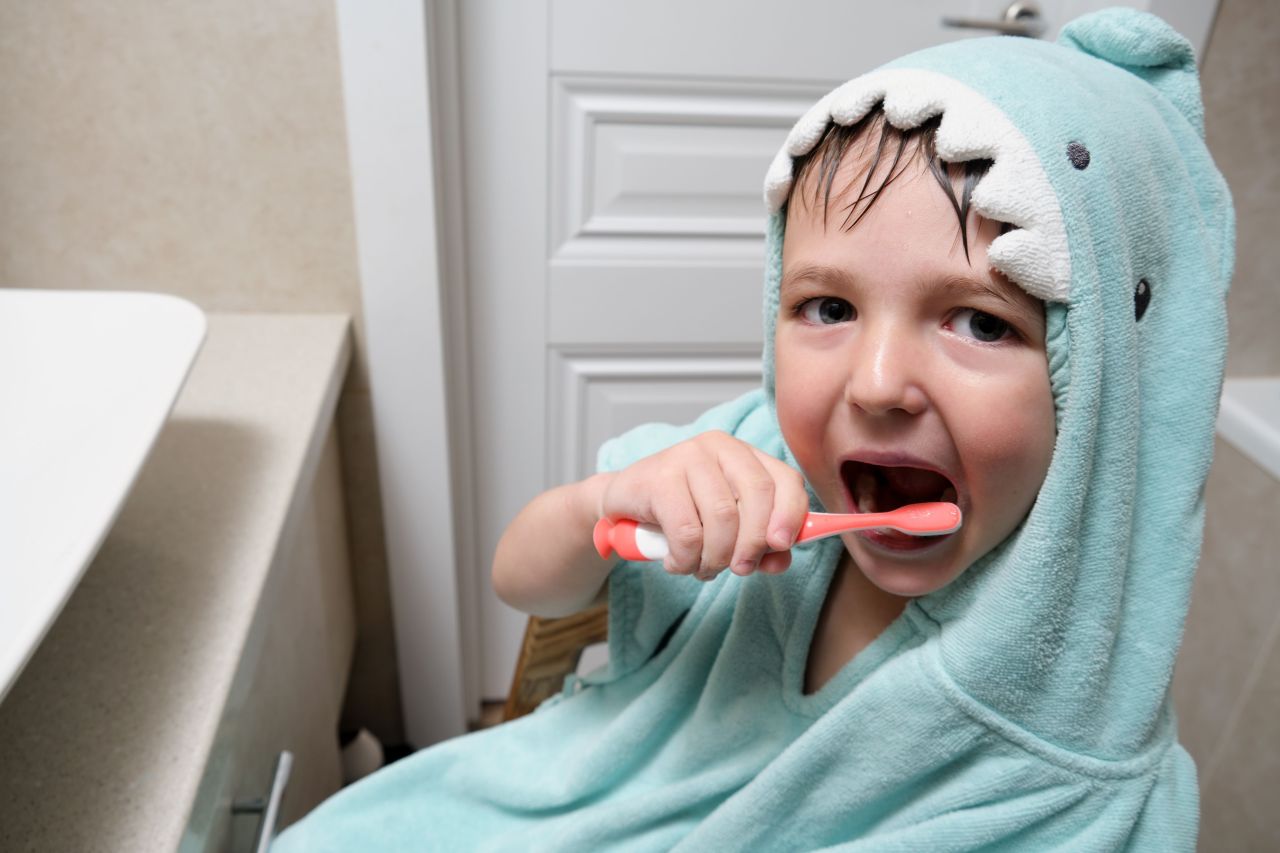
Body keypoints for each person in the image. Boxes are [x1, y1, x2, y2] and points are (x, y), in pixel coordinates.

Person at [273, 8, 1233, 850]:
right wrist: (601, 505)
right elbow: (521, 580)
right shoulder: (750, 459)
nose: (878, 383)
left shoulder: (1069, 759)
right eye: (828, 307)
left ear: (1100, 380)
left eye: (980, 323)